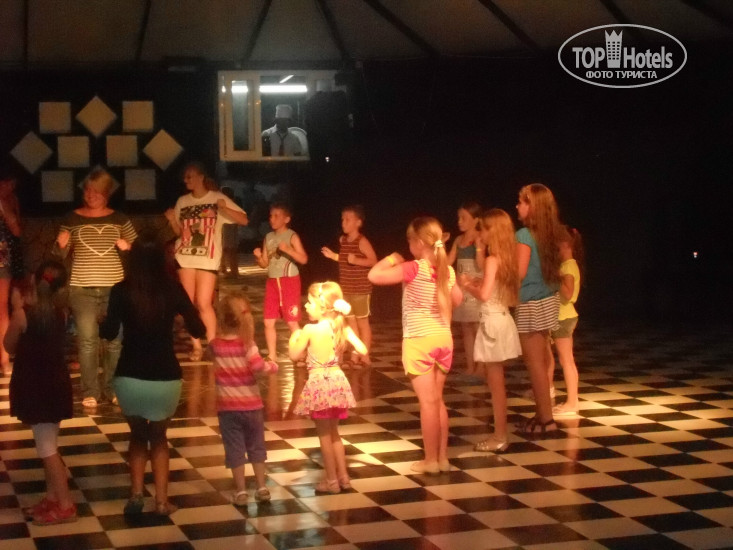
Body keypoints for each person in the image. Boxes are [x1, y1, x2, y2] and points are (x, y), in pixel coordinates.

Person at [100, 234, 206, 516]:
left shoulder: (121, 290)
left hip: (129, 375)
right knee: (159, 438)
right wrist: (181, 320)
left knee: (137, 436)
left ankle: (136, 496)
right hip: (164, 376)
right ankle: (161, 502)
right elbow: (199, 329)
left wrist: (103, 321)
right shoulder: (172, 289)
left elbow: (108, 332)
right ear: (161, 259)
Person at [369, 217, 462, 474]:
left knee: (428, 403)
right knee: (438, 400)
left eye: (409, 240)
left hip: (420, 340)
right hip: (443, 339)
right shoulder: (447, 270)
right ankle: (442, 458)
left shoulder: (413, 268)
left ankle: (430, 460)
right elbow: (458, 299)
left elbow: (373, 275)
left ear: (419, 242)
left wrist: (392, 258)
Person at [56, 168, 137, 409]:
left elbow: (139, 250)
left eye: (96, 191)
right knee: (87, 341)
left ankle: (112, 388)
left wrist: (128, 247)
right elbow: (59, 254)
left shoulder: (119, 218)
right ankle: (90, 390)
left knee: (115, 341)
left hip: (115, 289)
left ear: (106, 194)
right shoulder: (72, 218)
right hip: (82, 287)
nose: (90, 195)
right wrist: (61, 245)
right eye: (87, 191)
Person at [6, 261, 75, 525]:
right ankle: (52, 497)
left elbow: (8, 346)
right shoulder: (62, 313)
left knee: (47, 450)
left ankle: (66, 505)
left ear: (34, 282)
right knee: (49, 444)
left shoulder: (23, 314)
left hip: (35, 386)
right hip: (56, 384)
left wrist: (16, 308)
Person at [165, 161, 249, 361]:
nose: (186, 180)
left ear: (201, 177)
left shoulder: (216, 198)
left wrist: (224, 209)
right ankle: (196, 345)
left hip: (208, 257)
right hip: (185, 256)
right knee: (188, 304)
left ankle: (212, 345)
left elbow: (244, 219)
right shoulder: (183, 201)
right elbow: (180, 232)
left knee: (204, 303)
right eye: (185, 177)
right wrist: (172, 220)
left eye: (190, 176)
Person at [289, 281, 366, 493]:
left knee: (324, 436)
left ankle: (331, 480)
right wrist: (350, 352)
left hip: (319, 384)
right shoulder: (341, 327)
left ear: (323, 307)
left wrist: (294, 339)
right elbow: (363, 349)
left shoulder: (309, 329)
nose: (305, 306)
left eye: (309, 302)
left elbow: (294, 355)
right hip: (337, 382)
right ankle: (344, 478)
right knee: (335, 434)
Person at [458, 209, 521, 452]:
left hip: (493, 322)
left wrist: (467, 285)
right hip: (501, 318)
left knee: (496, 387)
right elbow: (492, 285)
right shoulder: (507, 257)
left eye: (483, 229)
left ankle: (500, 436)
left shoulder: (495, 259)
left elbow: (484, 295)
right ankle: (499, 434)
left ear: (492, 231)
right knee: (496, 384)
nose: (479, 233)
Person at [209, 290, 278, 505]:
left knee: (234, 449)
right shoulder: (248, 344)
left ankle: (240, 491)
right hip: (252, 407)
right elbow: (257, 366)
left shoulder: (215, 345)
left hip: (228, 409)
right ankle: (261, 487)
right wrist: (272, 366)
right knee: (256, 446)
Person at [514, 183, 564, 437]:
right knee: (542, 362)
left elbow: (520, 272)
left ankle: (546, 419)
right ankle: (543, 414)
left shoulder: (524, 235)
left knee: (534, 364)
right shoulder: (552, 234)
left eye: (522, 202)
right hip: (549, 300)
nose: (517, 206)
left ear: (533, 207)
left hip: (531, 302)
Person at [320, 205, 377, 366]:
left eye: (347, 219)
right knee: (351, 324)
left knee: (362, 323)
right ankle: (354, 355)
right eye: (342, 219)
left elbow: (373, 261)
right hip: (347, 289)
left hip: (360, 290)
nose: (343, 223)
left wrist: (356, 260)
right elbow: (345, 259)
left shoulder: (362, 241)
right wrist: (333, 256)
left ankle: (364, 355)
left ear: (358, 222)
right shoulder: (343, 240)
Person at [253, 203, 308, 361]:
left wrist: (289, 250)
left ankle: (302, 353)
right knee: (268, 320)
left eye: (277, 216)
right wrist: (259, 257)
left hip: (289, 281)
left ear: (286, 219)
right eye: (271, 216)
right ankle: (272, 355)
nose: (272, 219)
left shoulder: (292, 236)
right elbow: (265, 263)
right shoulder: (268, 237)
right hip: (272, 282)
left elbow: (303, 259)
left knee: (292, 321)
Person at [548, 227, 584, 416]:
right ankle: (566, 398)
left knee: (566, 360)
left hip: (564, 317)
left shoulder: (568, 266)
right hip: (561, 316)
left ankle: (572, 402)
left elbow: (568, 293)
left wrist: (556, 276)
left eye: (558, 243)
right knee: (563, 359)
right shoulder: (567, 265)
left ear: (566, 244)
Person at [446, 201, 483, 376]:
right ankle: (470, 366)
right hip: (463, 288)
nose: (459, 221)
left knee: (478, 327)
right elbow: (448, 261)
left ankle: (481, 366)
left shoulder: (480, 238)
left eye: (464, 218)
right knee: (466, 328)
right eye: (459, 218)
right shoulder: (458, 240)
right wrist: (439, 245)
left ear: (476, 220)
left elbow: (482, 265)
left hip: (475, 286)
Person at [0, 171, 22, 375]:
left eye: (12, 185)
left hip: (2, 256)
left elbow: (16, 230)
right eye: (7, 184)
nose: (9, 189)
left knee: (2, 308)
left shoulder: (10, 201)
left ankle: (4, 358)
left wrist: (8, 210)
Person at [219, 186, 241, 278]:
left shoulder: (229, 205)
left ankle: (232, 270)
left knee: (229, 249)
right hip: (227, 228)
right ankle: (226, 269)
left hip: (229, 228)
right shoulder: (226, 205)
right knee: (226, 249)